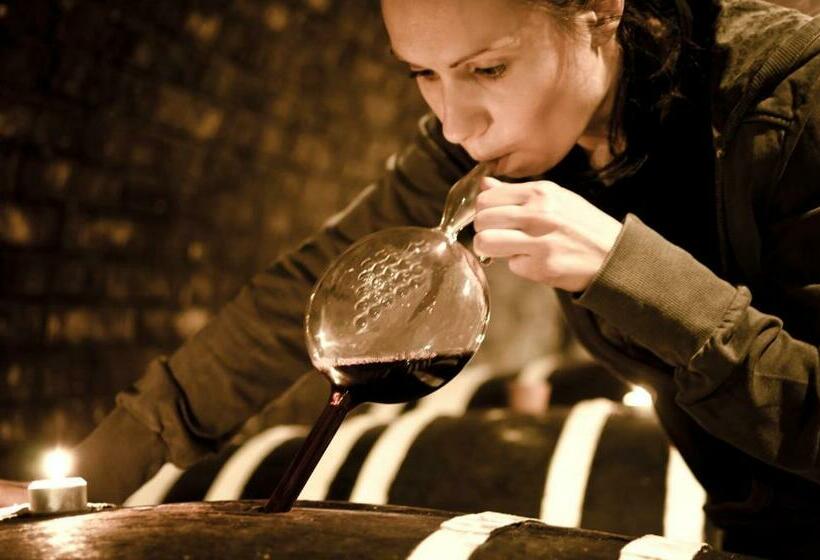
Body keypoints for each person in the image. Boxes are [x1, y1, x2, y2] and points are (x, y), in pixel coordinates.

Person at [3, 0, 819, 556]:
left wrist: (631, 272)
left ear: (602, 10)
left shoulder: (793, 100)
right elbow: (296, 298)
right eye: (422, 75)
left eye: (487, 69)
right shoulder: (481, 151)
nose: (456, 124)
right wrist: (76, 485)